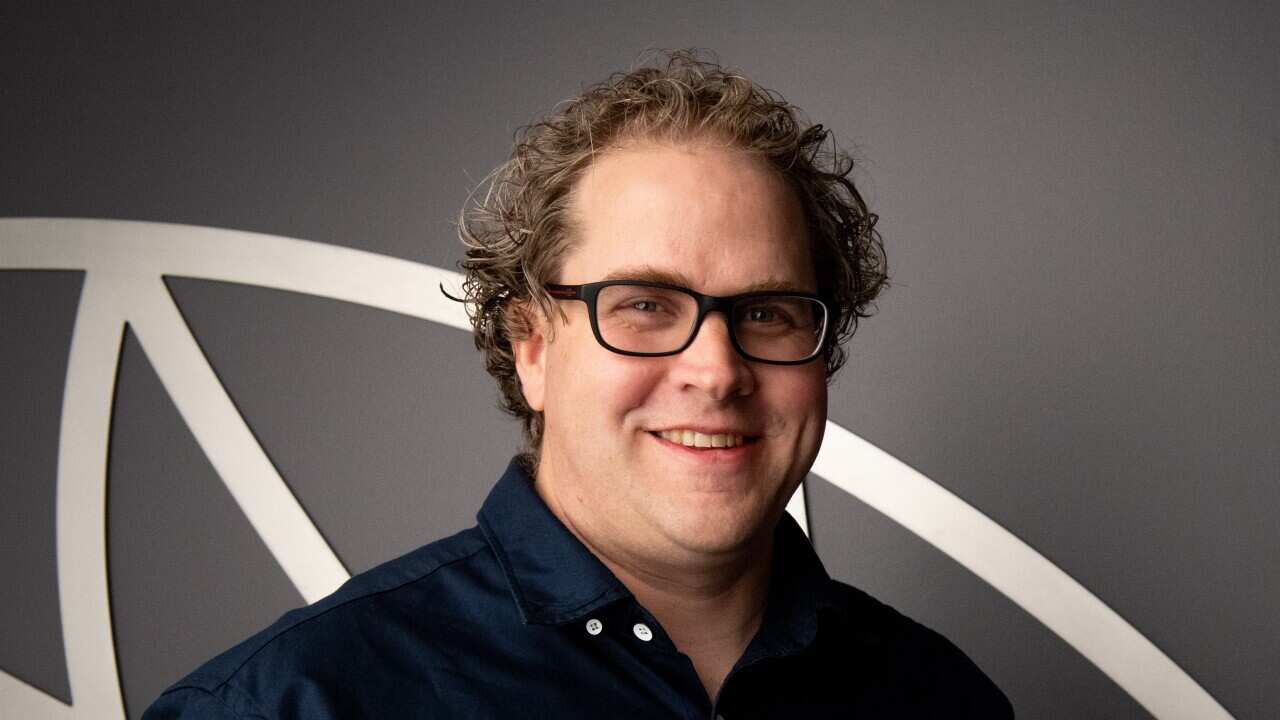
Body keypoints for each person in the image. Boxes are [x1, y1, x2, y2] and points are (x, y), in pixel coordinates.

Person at [144, 51, 1012, 719]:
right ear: (530, 346)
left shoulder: (941, 699)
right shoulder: (297, 703)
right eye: (643, 306)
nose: (715, 371)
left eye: (768, 312)